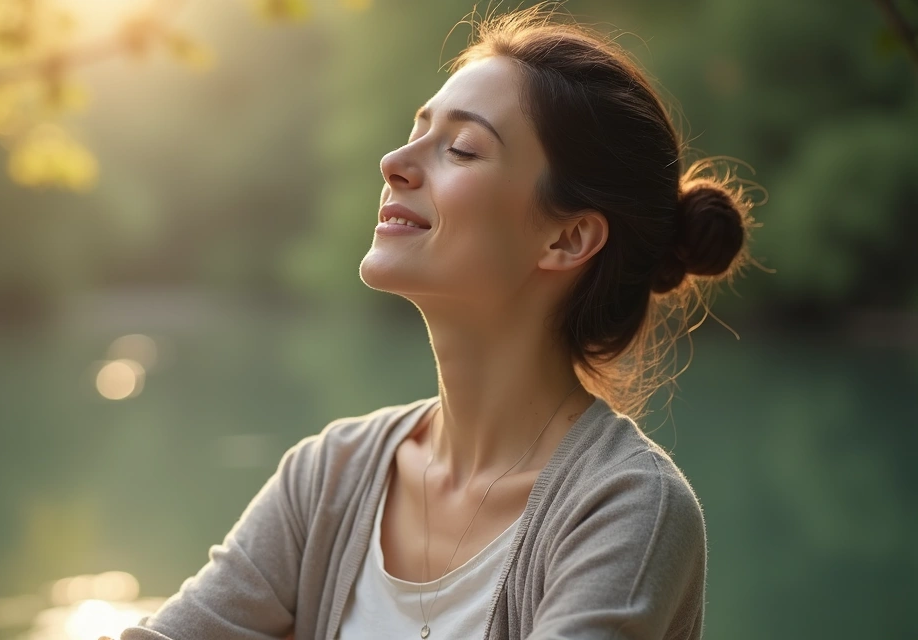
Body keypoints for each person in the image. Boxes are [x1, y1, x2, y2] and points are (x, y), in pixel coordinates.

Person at [122, 5, 756, 640]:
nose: (394, 161)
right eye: (416, 129)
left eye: (460, 148)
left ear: (568, 238)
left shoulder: (626, 510)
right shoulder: (329, 476)